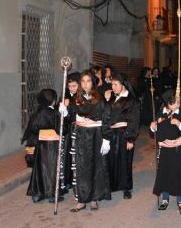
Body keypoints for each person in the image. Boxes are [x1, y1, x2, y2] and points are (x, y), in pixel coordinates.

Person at [66, 71, 112, 212]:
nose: (85, 84)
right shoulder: (75, 99)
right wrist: (64, 111)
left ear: (93, 82)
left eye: (88, 81)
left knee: (96, 166)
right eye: (83, 81)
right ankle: (82, 199)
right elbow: (71, 118)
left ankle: (94, 198)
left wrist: (106, 139)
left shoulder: (98, 99)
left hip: (96, 135)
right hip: (81, 135)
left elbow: (105, 117)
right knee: (82, 167)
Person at [151, 90, 181, 215]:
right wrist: (153, 126)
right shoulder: (161, 114)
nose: (178, 104)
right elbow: (154, 132)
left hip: (177, 148)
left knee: (178, 172)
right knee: (164, 172)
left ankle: (180, 200)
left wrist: (180, 124)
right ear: (168, 103)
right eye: (176, 102)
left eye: (179, 101)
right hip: (164, 148)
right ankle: (165, 198)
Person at [26, 89, 68, 203]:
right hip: (52, 146)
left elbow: (33, 128)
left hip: (40, 145)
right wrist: (63, 117)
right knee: (52, 169)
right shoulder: (54, 114)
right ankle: (51, 195)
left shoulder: (36, 114)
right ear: (53, 101)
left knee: (39, 169)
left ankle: (37, 194)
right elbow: (62, 130)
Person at [104, 73, 140, 200]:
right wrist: (107, 100)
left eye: (115, 84)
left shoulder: (132, 100)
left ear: (123, 84)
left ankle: (126, 187)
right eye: (112, 84)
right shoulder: (112, 97)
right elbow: (106, 114)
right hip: (111, 134)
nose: (112, 87)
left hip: (124, 134)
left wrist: (131, 138)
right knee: (111, 160)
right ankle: (112, 186)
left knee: (125, 161)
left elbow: (134, 120)